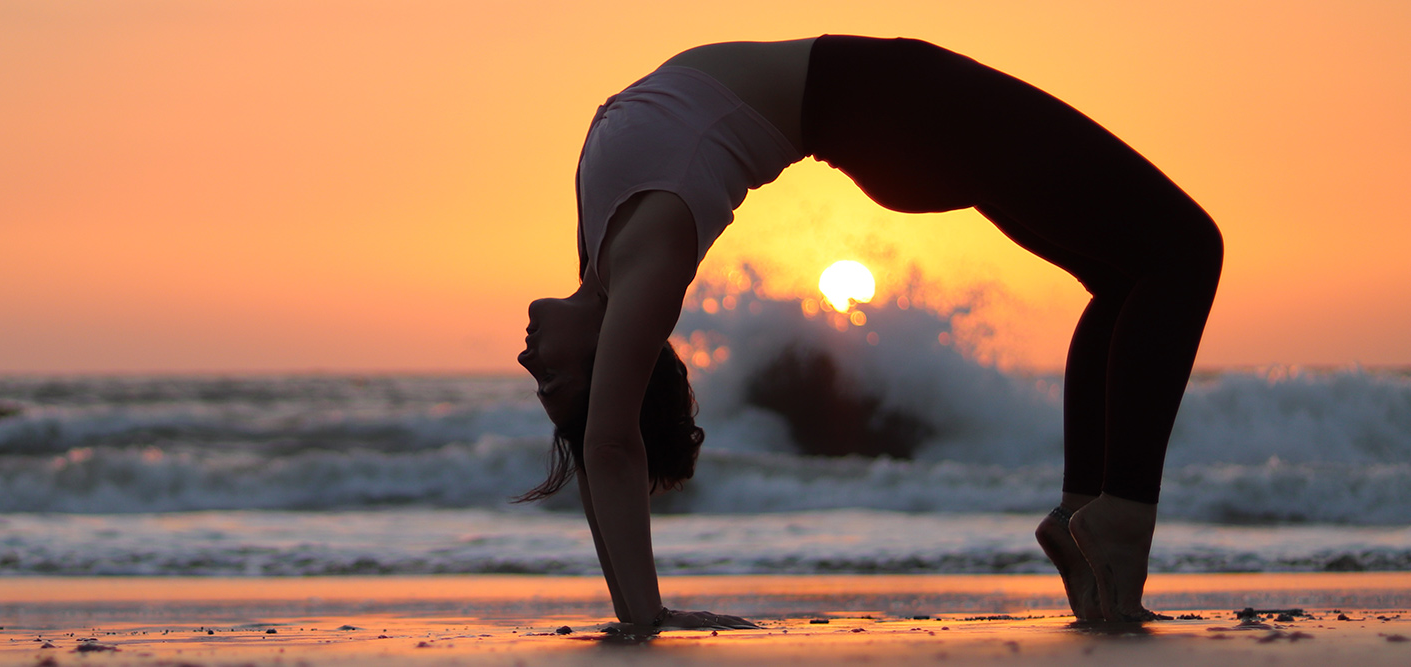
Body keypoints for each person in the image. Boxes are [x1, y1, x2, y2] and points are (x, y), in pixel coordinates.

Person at [515, 35, 1222, 629]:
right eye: (551, 379)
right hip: (897, 105)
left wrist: (632, 611)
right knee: (1186, 251)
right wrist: (649, 618)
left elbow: (599, 453)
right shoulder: (649, 255)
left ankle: (1081, 516)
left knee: (1124, 277)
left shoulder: (600, 247)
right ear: (608, 355)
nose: (526, 357)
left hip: (885, 119)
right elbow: (609, 443)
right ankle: (1122, 520)